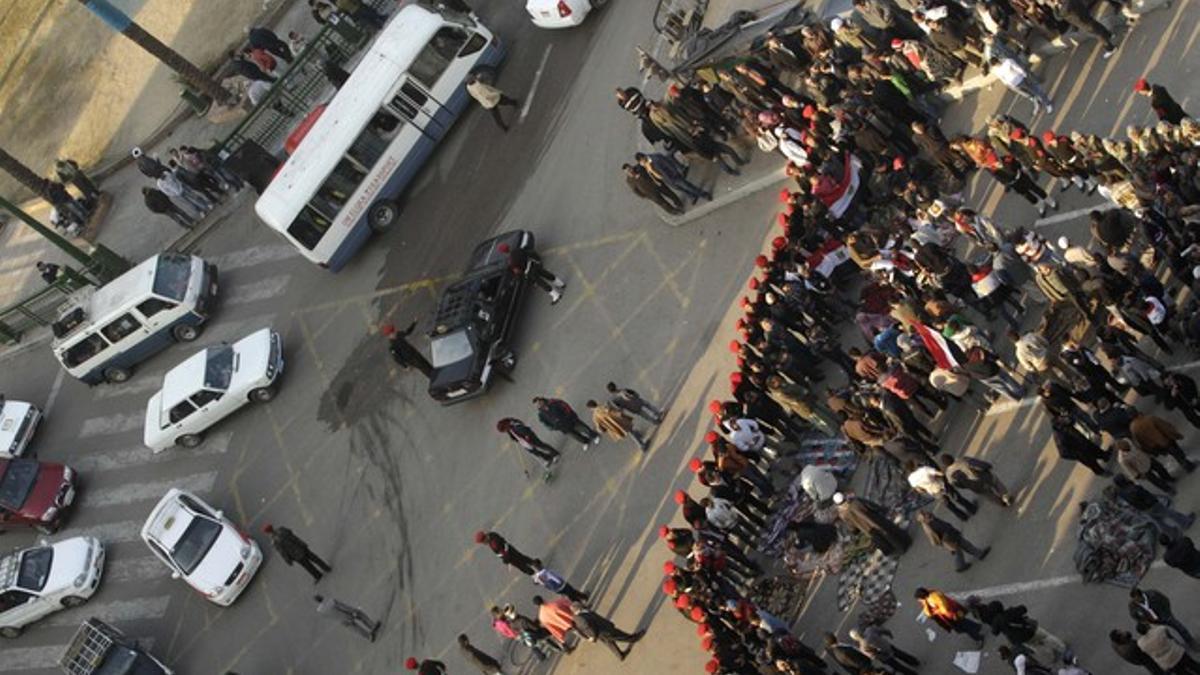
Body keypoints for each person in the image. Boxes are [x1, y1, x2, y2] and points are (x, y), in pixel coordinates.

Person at [834, 492, 911, 555]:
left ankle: (891, 550)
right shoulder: (855, 502)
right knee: (889, 531)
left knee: (881, 539)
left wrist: (855, 531)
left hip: (866, 528)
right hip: (874, 519)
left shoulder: (842, 514)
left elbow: (851, 525)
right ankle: (904, 544)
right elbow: (870, 505)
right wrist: (882, 509)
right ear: (843, 497)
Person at [917, 510, 991, 572]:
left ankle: (964, 563)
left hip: (951, 537)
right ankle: (977, 555)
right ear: (924, 519)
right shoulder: (933, 524)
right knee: (963, 547)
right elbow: (945, 530)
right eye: (924, 514)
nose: (926, 513)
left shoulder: (931, 521)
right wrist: (954, 534)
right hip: (951, 538)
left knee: (960, 550)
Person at [1129, 587, 1198, 649]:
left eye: (1137, 599)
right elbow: (1134, 616)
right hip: (1154, 622)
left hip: (1165, 616)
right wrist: (1145, 622)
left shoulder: (1153, 594)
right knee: (1165, 635)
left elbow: (1165, 600)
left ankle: (1190, 642)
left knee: (1179, 627)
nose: (1136, 601)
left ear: (1140, 595)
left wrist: (1167, 613)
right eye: (1134, 599)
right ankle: (1178, 647)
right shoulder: (1133, 605)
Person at [497, 242, 565, 304]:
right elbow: (530, 253)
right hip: (533, 264)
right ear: (508, 246)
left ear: (504, 252)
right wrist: (537, 260)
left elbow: (518, 272)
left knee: (542, 283)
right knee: (546, 274)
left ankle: (556, 295)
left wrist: (520, 278)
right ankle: (560, 283)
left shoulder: (511, 262)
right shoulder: (517, 250)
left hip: (529, 271)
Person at [572, 604, 645, 660]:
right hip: (604, 631)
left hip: (602, 632)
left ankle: (620, 656)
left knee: (610, 643)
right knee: (620, 635)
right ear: (578, 609)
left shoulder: (578, 617)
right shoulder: (582, 618)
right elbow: (589, 628)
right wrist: (593, 637)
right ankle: (634, 638)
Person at [916, 587, 985, 646]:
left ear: (923, 596)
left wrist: (936, 611)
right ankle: (977, 627)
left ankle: (979, 638)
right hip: (954, 612)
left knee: (964, 627)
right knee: (964, 622)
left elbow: (944, 608)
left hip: (952, 614)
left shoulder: (935, 597)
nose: (919, 601)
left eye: (919, 599)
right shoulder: (929, 596)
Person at [264, 524, 332, 582]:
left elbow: (283, 552)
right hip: (300, 546)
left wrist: (288, 561)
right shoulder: (281, 529)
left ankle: (318, 575)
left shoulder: (274, 542)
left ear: (267, 532)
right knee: (314, 558)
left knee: (307, 565)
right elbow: (291, 532)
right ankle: (326, 567)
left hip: (295, 554)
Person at [940, 453, 1014, 506]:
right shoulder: (963, 460)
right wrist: (988, 466)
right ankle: (1006, 497)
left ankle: (1000, 503)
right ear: (952, 457)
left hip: (975, 487)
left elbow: (958, 485)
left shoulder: (949, 475)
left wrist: (967, 486)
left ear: (945, 465)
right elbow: (977, 464)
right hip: (983, 477)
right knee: (996, 483)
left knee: (989, 495)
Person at [848, 625, 920, 675]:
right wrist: (889, 634)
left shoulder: (862, 647)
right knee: (901, 654)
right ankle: (914, 661)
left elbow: (873, 656)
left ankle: (912, 673)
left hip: (884, 657)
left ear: (855, 638)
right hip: (887, 646)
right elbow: (882, 630)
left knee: (898, 667)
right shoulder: (870, 630)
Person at [533, 396, 599, 448]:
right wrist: (553, 427)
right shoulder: (541, 414)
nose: (539, 405)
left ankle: (594, 436)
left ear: (541, 400)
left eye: (539, 402)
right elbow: (544, 423)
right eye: (537, 405)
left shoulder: (553, 402)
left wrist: (570, 415)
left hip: (570, 419)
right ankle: (585, 441)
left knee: (583, 428)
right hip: (562, 427)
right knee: (575, 436)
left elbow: (565, 406)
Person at [314, 594, 380, 641]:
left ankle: (369, 637)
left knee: (356, 629)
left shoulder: (320, 611)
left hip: (341, 621)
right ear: (321, 596)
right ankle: (372, 626)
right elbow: (343, 607)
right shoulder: (331, 601)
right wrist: (354, 611)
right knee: (360, 615)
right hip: (348, 614)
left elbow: (328, 616)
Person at [475, 531, 542, 576]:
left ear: (484, 540)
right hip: (510, 549)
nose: (483, 544)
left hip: (509, 555)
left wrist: (506, 561)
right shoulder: (492, 534)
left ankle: (535, 575)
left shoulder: (493, 544)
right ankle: (535, 563)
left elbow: (502, 553)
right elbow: (503, 542)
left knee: (521, 566)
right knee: (523, 558)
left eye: (482, 542)